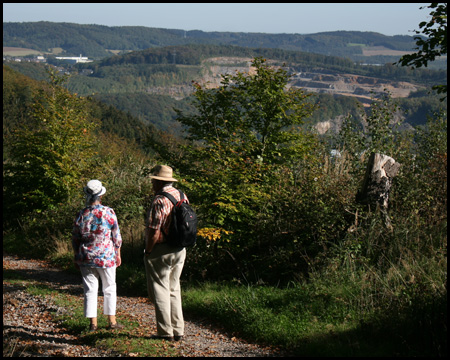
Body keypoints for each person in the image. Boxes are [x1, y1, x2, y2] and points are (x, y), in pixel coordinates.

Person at [72, 179, 124, 332]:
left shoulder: (81, 214)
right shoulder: (109, 212)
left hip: (86, 256)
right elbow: (116, 236)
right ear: (101, 196)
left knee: (90, 289)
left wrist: (76, 256)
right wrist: (118, 253)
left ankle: (93, 324)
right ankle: (111, 322)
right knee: (109, 287)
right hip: (106, 256)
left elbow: (76, 238)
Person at [144, 165, 187, 341]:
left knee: (160, 290)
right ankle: (179, 330)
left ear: (158, 181)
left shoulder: (159, 200)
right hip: (179, 248)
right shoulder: (181, 195)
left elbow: (154, 231)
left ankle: (165, 332)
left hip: (161, 250)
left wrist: (148, 250)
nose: (152, 183)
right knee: (174, 288)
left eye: (154, 180)